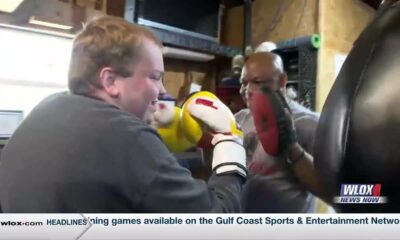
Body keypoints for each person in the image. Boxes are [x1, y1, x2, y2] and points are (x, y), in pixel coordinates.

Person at [0, 16, 247, 213]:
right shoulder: (127, 137)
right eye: (154, 77)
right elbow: (214, 221)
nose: (162, 90)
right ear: (110, 81)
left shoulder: (46, 108)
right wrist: (230, 148)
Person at [235, 51, 326, 213]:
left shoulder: (309, 123)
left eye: (256, 81)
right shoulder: (239, 118)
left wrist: (293, 149)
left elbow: (331, 191)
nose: (246, 90)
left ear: (282, 81)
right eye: (243, 82)